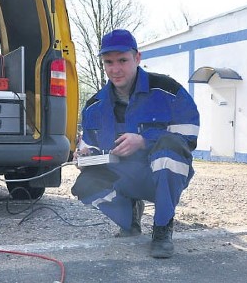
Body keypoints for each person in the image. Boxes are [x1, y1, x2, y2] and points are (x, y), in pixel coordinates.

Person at [72, 29, 200, 258]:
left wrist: (144, 141)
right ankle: (128, 218)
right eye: (108, 62)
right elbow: (88, 144)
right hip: (127, 176)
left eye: (122, 60)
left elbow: (188, 136)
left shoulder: (167, 90)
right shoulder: (94, 106)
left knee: (168, 152)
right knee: (85, 183)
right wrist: (84, 155)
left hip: (163, 175)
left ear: (137, 58)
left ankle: (162, 229)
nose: (115, 69)